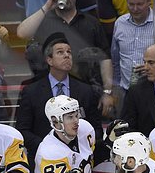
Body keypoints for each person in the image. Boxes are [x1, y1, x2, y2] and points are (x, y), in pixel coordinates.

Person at [16, 0, 115, 118]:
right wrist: (47, 6)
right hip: (51, 97)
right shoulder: (44, 21)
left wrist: (107, 92)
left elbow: (105, 58)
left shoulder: (91, 23)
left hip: (86, 95)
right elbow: (22, 33)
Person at [15, 32, 102, 160]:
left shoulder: (85, 90)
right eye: (60, 52)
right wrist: (48, 147)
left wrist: (81, 145)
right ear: (49, 60)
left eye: (69, 52)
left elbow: (96, 129)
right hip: (43, 160)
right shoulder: (31, 91)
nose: (67, 55)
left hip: (78, 159)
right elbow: (22, 130)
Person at [110, 0, 155, 96]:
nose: (135, 9)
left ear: (149, 1)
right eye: (131, 4)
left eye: (139, 4)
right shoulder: (120, 23)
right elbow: (115, 59)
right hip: (126, 92)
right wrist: (115, 86)